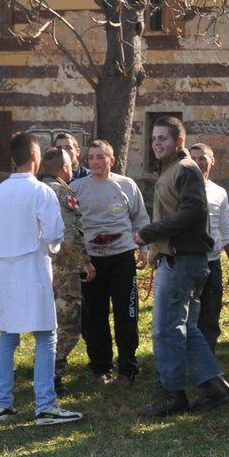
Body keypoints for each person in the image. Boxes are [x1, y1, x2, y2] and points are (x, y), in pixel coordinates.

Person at [0, 133, 83, 426]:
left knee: (8, 338)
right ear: (35, 156)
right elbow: (54, 234)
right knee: (46, 336)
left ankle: (2, 405)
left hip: (5, 274)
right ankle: (46, 405)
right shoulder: (41, 192)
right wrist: (49, 247)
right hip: (34, 271)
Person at [134, 119, 229, 417]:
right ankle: (216, 387)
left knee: (167, 330)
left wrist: (150, 233)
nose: (156, 143)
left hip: (183, 261)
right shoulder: (170, 169)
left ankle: (173, 395)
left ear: (179, 141)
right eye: (153, 138)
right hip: (179, 259)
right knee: (187, 328)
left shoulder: (186, 168)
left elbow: (193, 211)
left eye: (163, 138)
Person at [71, 139, 148, 384]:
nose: (96, 162)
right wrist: (79, 258)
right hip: (91, 261)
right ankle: (100, 367)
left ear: (111, 160)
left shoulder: (127, 185)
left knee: (126, 315)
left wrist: (143, 248)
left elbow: (140, 220)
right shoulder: (77, 188)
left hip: (122, 258)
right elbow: (71, 225)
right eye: (91, 157)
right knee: (95, 317)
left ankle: (127, 368)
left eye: (101, 157)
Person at [37, 144, 96, 387]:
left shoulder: (36, 190)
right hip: (62, 268)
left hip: (38, 267)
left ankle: (44, 368)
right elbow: (70, 233)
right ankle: (52, 373)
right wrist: (85, 262)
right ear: (64, 168)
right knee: (68, 322)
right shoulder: (61, 193)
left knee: (45, 321)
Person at [189, 142, 229, 351]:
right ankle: (185, 362)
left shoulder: (219, 192)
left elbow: (227, 231)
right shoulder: (178, 187)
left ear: (212, 161)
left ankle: (207, 363)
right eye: (194, 159)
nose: (198, 163)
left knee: (210, 316)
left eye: (203, 158)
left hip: (212, 265)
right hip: (187, 263)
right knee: (187, 317)